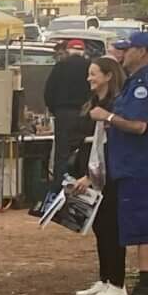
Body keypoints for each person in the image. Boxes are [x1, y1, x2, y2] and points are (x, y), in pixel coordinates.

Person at [97, 30, 148, 295]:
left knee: (144, 231)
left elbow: (138, 124)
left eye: (127, 49)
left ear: (141, 52)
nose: (122, 54)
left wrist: (107, 117)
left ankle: (145, 291)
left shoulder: (143, 85)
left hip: (138, 166)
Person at [66, 53, 129, 295]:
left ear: (108, 76)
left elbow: (109, 145)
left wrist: (92, 177)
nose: (89, 78)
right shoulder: (91, 102)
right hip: (89, 171)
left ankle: (117, 282)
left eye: (94, 73)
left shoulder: (114, 106)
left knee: (111, 228)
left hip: (108, 175)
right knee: (100, 227)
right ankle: (105, 278)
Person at [45, 39, 95, 186]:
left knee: (62, 154)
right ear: (83, 52)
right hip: (85, 114)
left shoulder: (60, 66)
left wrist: (55, 110)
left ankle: (59, 189)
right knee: (84, 150)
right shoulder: (89, 66)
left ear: (68, 51)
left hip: (63, 114)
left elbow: (49, 91)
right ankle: (82, 186)